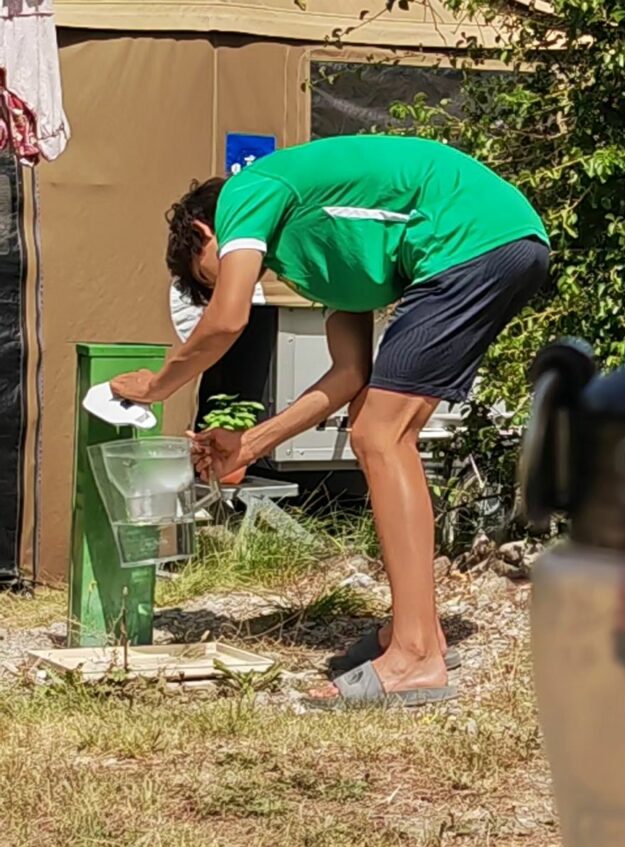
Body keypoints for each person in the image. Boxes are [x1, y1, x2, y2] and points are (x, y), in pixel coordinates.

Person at [111, 134, 549, 708]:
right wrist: (250, 444)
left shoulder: (250, 188)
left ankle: (416, 655)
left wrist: (156, 386)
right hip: (499, 241)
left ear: (204, 232)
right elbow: (348, 375)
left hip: (472, 238)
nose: (243, 276)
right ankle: (419, 634)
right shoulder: (324, 253)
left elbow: (226, 320)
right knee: (378, 426)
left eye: (211, 273)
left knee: (380, 435)